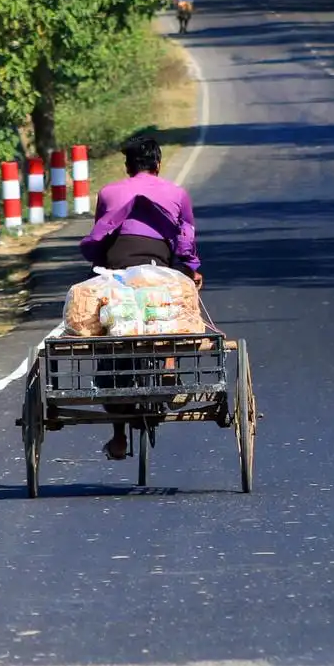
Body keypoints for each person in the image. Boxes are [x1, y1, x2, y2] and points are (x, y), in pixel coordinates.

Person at [80, 136, 203, 459]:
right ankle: (170, 362)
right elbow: (186, 236)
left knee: (112, 346)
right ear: (158, 165)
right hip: (158, 266)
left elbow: (100, 235)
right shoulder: (177, 193)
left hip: (119, 269)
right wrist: (191, 268)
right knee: (172, 307)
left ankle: (118, 438)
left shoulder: (108, 192)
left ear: (127, 167)